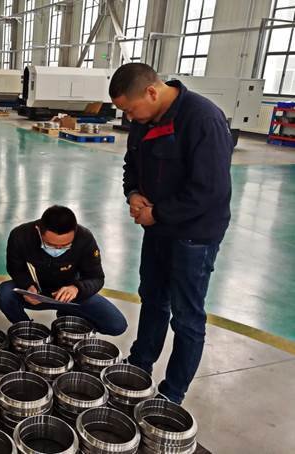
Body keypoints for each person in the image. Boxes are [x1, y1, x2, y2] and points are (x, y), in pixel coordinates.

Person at [109, 63, 232, 404]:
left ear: (152, 92)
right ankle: (139, 365)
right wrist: (133, 193)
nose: (129, 118)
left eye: (130, 110)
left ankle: (172, 394)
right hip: (158, 231)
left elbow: (210, 190)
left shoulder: (202, 119)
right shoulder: (144, 121)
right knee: (152, 298)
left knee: (187, 316)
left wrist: (157, 213)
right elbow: (131, 166)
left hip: (194, 236)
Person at [0, 205, 127, 336]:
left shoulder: (84, 238)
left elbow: (96, 278)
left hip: (71, 296)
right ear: (38, 230)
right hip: (38, 292)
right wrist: (27, 286)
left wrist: (77, 288)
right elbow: (15, 269)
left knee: (116, 325)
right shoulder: (21, 236)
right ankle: (28, 331)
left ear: (75, 232)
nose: (57, 249)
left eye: (65, 246)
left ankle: (69, 317)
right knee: (5, 293)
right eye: (50, 245)